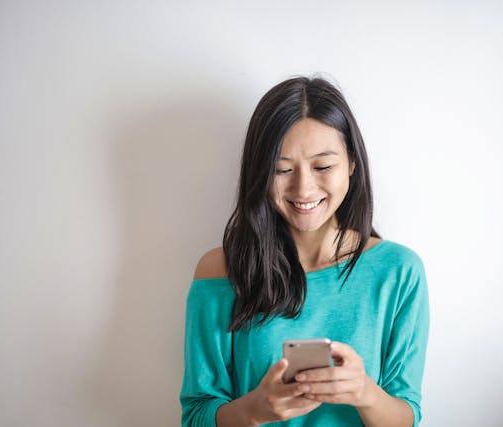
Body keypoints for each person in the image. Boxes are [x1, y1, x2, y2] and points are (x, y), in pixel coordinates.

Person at [180, 76, 429, 427]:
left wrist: (364, 393)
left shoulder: (398, 271)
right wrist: (255, 409)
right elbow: (195, 417)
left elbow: (407, 417)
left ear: (352, 164)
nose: (303, 188)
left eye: (323, 166)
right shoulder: (220, 271)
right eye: (282, 169)